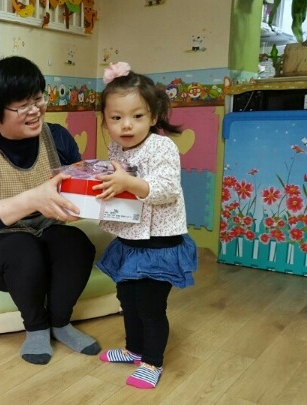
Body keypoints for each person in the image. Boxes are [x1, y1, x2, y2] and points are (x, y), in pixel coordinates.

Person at [0, 56, 100, 365]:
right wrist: (34, 199)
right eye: (22, 106)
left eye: (38, 99)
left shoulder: (57, 137)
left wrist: (99, 192)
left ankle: (60, 323)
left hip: (45, 231)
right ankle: (36, 327)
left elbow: (75, 188)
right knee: (23, 249)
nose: (35, 110)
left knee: (76, 243)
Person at [93, 62, 198, 389]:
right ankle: (134, 349)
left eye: (137, 116)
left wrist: (128, 182)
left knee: (151, 307)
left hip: (159, 244)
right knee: (127, 300)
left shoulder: (162, 146)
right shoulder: (115, 148)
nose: (126, 125)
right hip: (130, 241)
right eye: (116, 118)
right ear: (105, 120)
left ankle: (152, 362)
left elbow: (167, 189)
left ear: (153, 117)